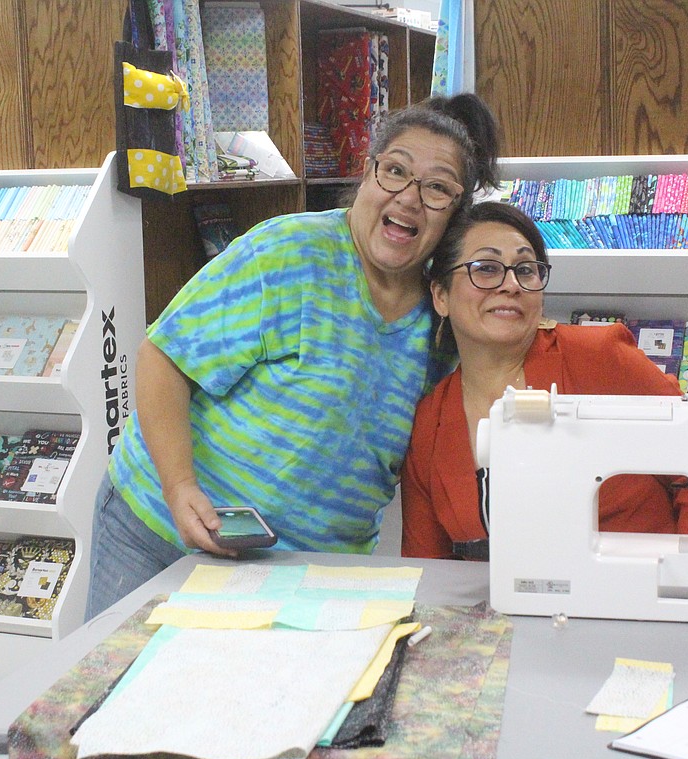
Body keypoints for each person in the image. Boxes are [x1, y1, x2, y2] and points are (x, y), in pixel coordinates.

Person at [86, 94, 501, 619]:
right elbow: (164, 357)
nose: (409, 197)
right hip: (157, 533)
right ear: (368, 176)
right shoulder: (289, 252)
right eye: (394, 170)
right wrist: (180, 485)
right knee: (110, 696)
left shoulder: (442, 318)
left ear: (454, 217)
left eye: (437, 187)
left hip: (304, 575)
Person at [401, 202, 688, 561]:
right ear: (440, 295)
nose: (511, 284)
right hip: (515, 612)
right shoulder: (431, 425)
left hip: (645, 599)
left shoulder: (598, 358)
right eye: (486, 269)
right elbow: (426, 570)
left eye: (526, 269)